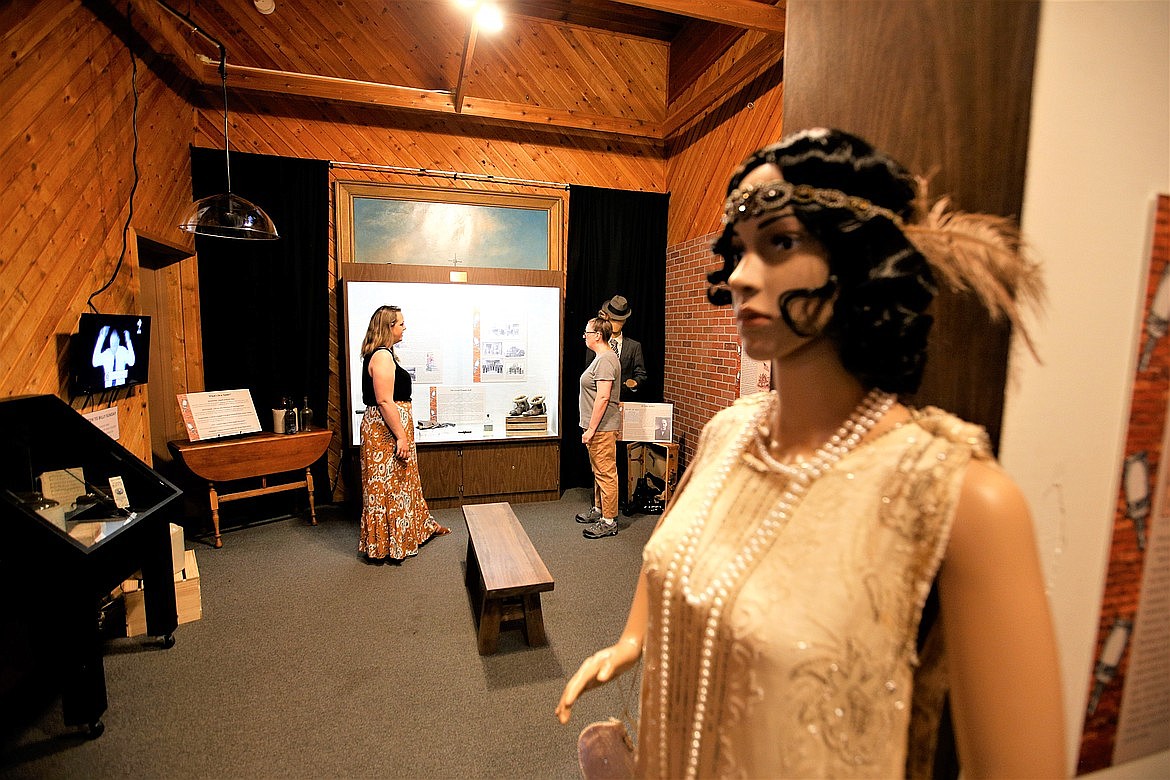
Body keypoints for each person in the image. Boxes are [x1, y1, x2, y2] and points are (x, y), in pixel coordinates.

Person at [556, 129, 1065, 778]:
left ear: (860, 258)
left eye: (781, 243)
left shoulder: (955, 495)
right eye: (740, 249)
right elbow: (668, 557)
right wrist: (634, 639)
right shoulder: (727, 433)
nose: (740, 276)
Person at [358, 305, 449, 562]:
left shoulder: (383, 355)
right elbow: (385, 401)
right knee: (388, 487)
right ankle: (388, 545)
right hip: (385, 431)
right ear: (389, 327)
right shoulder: (382, 357)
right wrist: (400, 436)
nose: (404, 328)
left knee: (397, 484)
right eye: (400, 323)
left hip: (387, 427)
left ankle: (408, 534)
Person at [576, 315, 622, 539]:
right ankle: (599, 510)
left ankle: (609, 521)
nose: (584, 336)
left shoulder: (605, 360)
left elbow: (603, 397)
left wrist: (591, 429)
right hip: (596, 427)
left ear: (598, 335)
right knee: (599, 471)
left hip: (602, 428)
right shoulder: (600, 358)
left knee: (606, 473)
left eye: (587, 332)